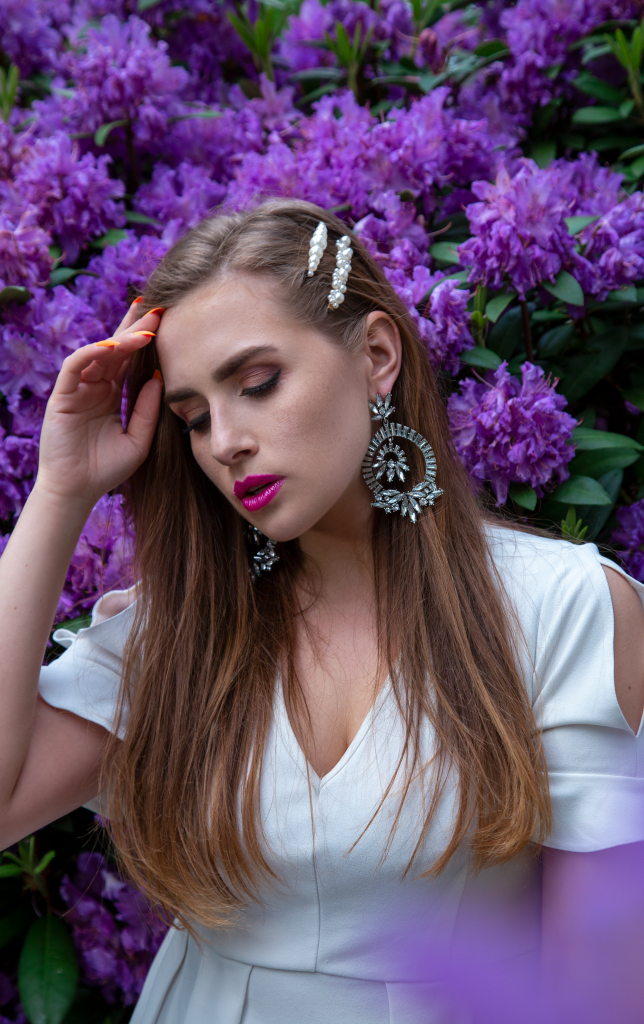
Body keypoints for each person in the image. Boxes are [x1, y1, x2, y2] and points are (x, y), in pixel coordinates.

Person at [1, 200, 644, 1024]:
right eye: (195, 418)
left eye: (257, 383)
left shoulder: (560, 608)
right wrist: (60, 491)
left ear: (377, 355)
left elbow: (602, 996)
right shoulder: (179, 633)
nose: (225, 440)